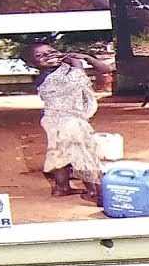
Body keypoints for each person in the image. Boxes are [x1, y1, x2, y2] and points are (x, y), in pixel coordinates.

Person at [21, 42, 111, 203]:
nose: (48, 55)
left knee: (58, 153)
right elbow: (77, 80)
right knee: (83, 154)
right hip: (68, 121)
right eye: (40, 56)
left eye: (50, 51)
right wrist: (76, 62)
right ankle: (94, 192)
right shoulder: (47, 78)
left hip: (54, 120)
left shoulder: (65, 68)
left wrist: (87, 57)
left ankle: (62, 188)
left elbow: (105, 70)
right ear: (32, 64)